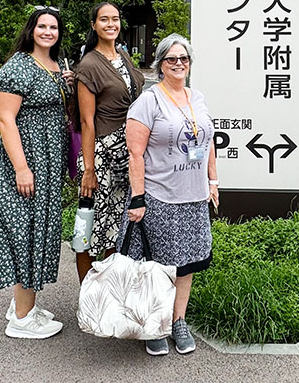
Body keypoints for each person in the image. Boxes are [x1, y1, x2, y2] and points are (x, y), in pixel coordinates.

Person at [120, 34, 217, 357]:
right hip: (160, 196)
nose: (178, 64)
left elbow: (207, 144)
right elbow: (135, 153)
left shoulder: (197, 97)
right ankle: (155, 324)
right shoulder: (149, 101)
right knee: (158, 265)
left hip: (194, 196)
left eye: (183, 59)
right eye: (171, 59)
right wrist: (138, 198)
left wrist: (213, 181)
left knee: (187, 265)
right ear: (160, 64)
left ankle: (179, 321)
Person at [0, 7, 70, 339]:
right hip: (27, 162)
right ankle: (22, 319)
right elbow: (5, 119)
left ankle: (23, 306)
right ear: (31, 30)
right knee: (24, 232)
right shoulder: (20, 65)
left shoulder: (54, 66)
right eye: (42, 26)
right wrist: (22, 169)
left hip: (47, 163)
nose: (48, 31)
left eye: (53, 27)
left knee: (40, 230)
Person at [74, 2, 145, 282]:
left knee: (116, 227)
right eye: (104, 19)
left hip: (124, 156)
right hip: (101, 157)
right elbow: (87, 121)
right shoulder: (89, 64)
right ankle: (87, 295)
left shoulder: (123, 55)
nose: (111, 24)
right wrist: (88, 169)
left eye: (115, 19)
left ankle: (109, 295)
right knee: (90, 227)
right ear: (94, 25)